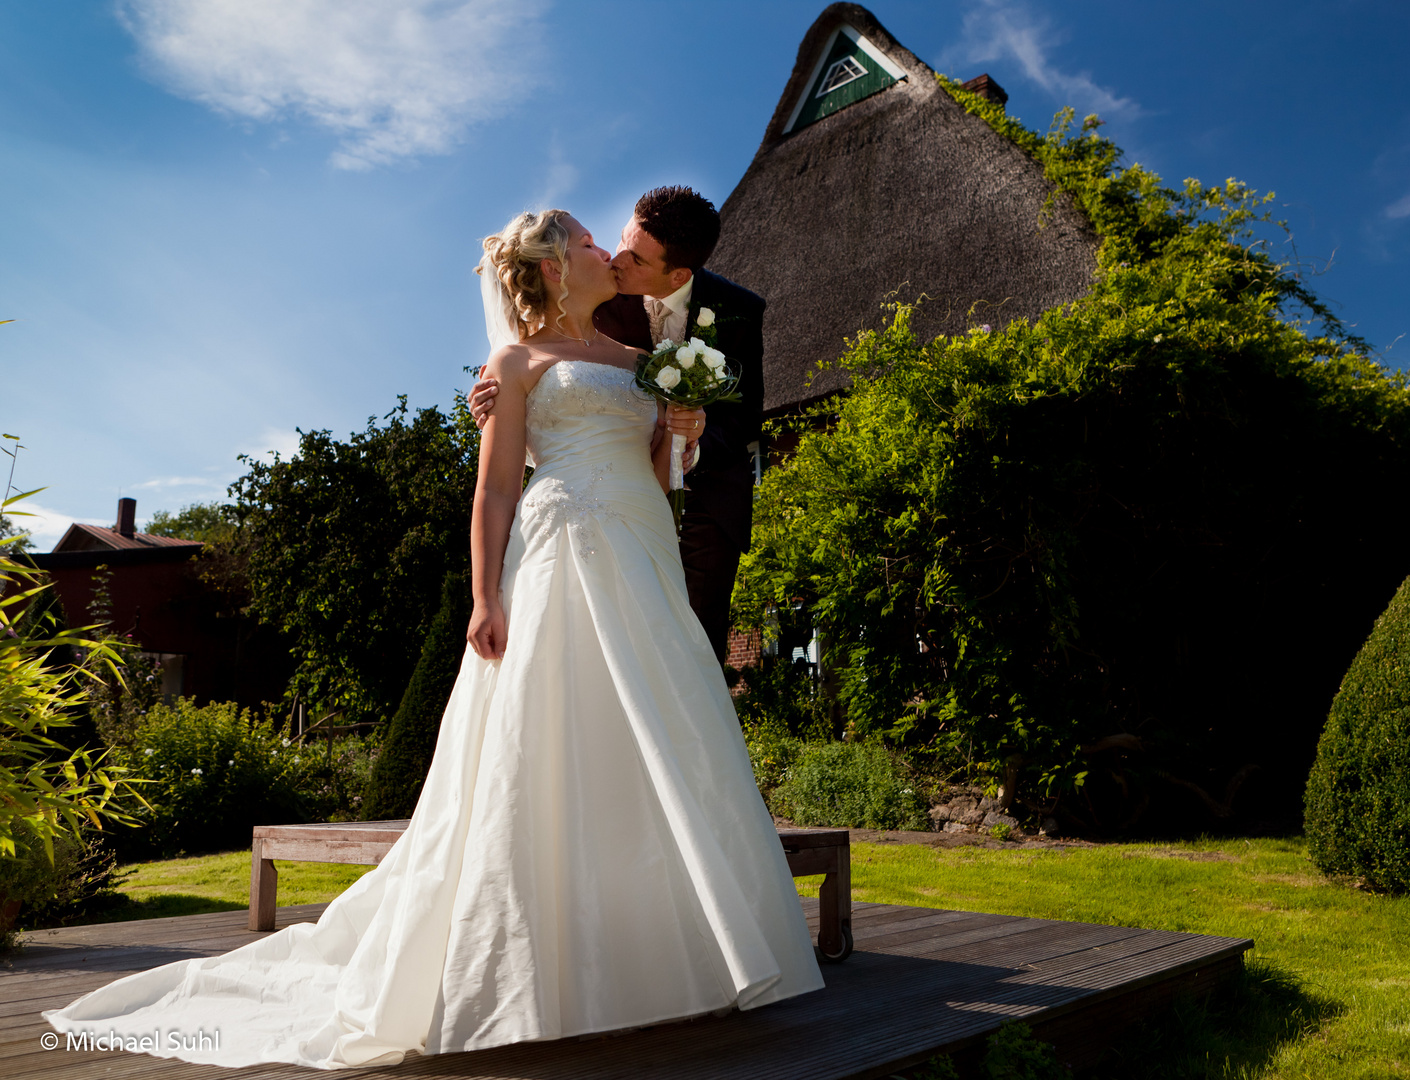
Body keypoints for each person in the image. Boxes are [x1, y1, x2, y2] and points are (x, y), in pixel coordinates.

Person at [43, 209, 824, 1069]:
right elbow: (493, 494)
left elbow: (657, 479)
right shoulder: (516, 364)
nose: (608, 247)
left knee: (662, 731)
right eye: (591, 241)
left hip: (642, 547)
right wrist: (485, 596)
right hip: (560, 547)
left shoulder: (648, 367)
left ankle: (671, 955)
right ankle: (535, 970)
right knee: (548, 732)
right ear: (559, 268)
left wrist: (684, 434)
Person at [471, 186, 763, 665]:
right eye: (617, 240)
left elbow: (745, 413)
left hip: (698, 502)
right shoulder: (595, 292)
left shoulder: (737, 311)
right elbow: (542, 353)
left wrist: (689, 434)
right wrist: (494, 400)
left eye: (637, 258)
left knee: (691, 653)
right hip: (572, 514)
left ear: (678, 274)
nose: (617, 258)